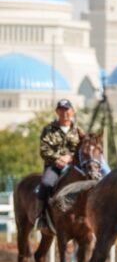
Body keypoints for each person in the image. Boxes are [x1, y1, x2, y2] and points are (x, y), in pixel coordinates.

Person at [35, 99, 83, 231]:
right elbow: (44, 149)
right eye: (61, 110)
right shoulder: (49, 129)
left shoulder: (78, 131)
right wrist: (58, 159)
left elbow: (83, 151)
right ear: (57, 111)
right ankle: (41, 216)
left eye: (67, 109)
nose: (64, 113)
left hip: (74, 167)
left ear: (72, 111)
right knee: (46, 184)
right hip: (54, 166)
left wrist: (70, 158)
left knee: (91, 184)